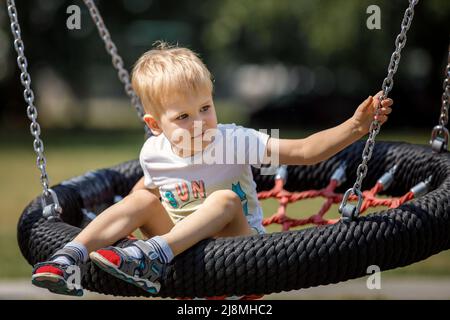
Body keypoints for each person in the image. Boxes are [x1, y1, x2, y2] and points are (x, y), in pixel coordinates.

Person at [31, 42, 393, 296]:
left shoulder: (234, 140)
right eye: (184, 116)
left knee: (224, 201)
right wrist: (122, 226)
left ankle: (151, 256)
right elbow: (144, 195)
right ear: (156, 125)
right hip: (183, 253)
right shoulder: (153, 153)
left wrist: (355, 127)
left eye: (205, 107)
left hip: (242, 255)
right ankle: (69, 259)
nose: (201, 122)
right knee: (139, 199)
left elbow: (304, 150)